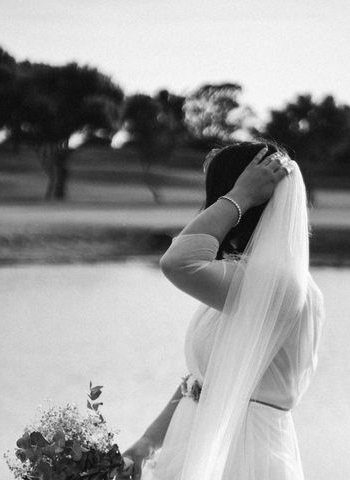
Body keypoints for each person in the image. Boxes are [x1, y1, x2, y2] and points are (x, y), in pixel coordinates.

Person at [119, 142, 325, 480]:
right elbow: (205, 378)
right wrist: (148, 442)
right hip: (199, 441)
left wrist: (240, 195)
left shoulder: (275, 283)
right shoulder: (243, 276)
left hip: (243, 453)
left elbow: (176, 262)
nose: (209, 204)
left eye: (216, 195)